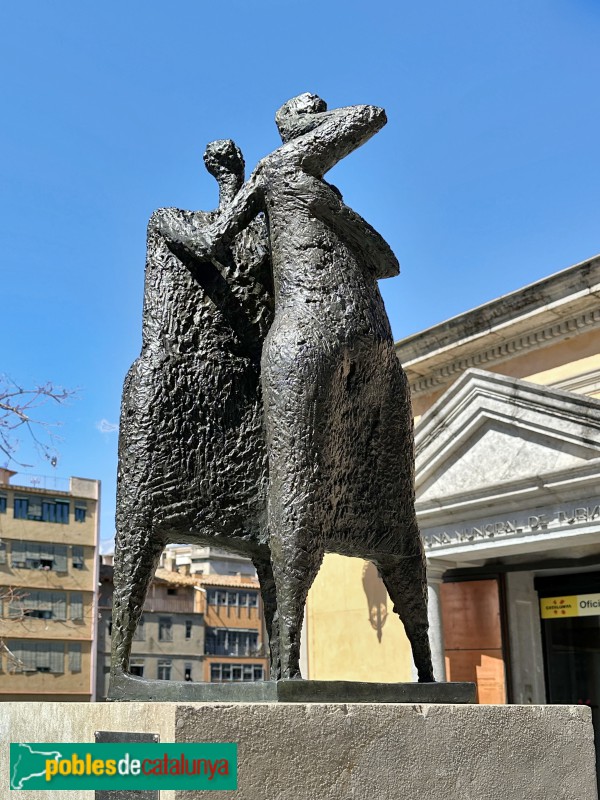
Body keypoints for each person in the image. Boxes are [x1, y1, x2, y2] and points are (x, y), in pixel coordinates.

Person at [158, 95, 434, 682]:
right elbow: (369, 115)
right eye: (310, 112)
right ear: (296, 128)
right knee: (300, 489)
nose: (320, 116)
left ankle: (422, 664)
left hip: (371, 350)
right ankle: (287, 657)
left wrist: (315, 201)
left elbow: (387, 263)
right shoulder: (282, 165)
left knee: (388, 498)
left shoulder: (304, 185)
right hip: (311, 339)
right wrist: (242, 184)